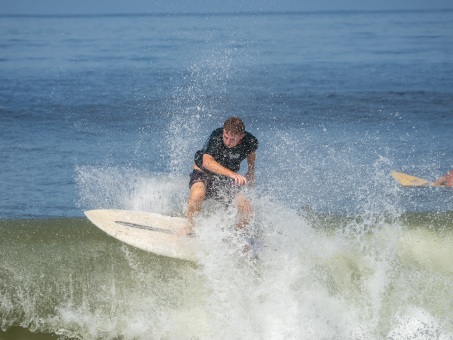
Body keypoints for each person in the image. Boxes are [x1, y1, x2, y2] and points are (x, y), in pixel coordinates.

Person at [180, 116, 259, 236]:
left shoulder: (250, 141)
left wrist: (251, 171)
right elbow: (207, 162)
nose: (227, 142)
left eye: (232, 139)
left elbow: (251, 153)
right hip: (204, 173)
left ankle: (238, 235)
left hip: (225, 178)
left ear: (241, 136)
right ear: (223, 132)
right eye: (226, 137)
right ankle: (190, 227)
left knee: (246, 206)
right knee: (198, 194)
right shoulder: (216, 136)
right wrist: (233, 174)